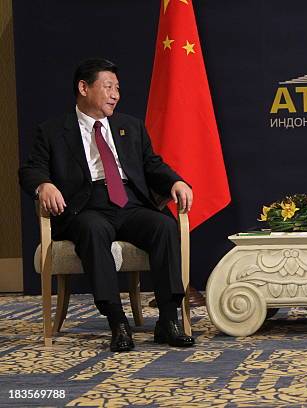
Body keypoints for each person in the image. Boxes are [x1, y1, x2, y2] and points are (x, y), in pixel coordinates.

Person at [19, 58, 195, 352]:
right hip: (85, 207)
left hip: (129, 203)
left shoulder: (130, 126)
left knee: (164, 225)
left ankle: (168, 319)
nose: (116, 94)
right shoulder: (52, 131)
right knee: (93, 229)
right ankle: (117, 321)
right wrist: (44, 185)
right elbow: (30, 169)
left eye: (118, 88)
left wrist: (175, 182)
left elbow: (152, 166)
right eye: (109, 87)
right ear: (84, 88)